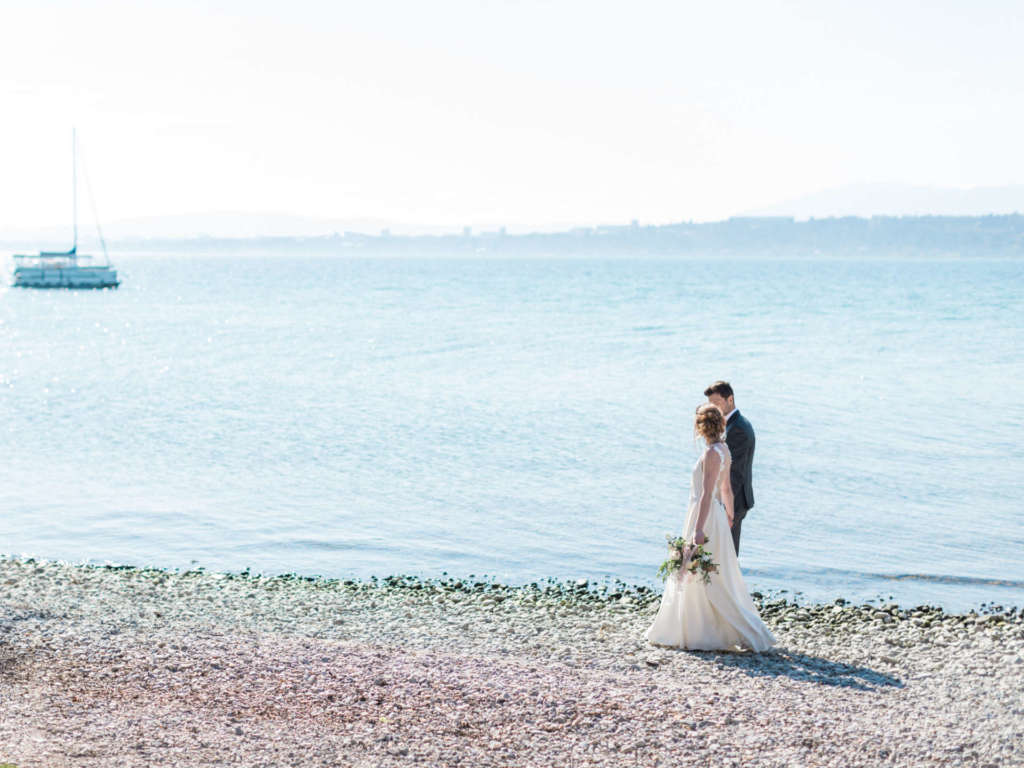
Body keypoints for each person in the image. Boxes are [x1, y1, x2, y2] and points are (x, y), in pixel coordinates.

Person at [644, 404, 774, 651]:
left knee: (701, 571)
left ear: (700, 428)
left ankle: (702, 630)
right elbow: (726, 489)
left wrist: (698, 529)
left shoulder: (711, 454)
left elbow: (705, 494)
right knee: (714, 571)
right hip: (716, 514)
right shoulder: (724, 449)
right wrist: (729, 513)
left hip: (703, 515)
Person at [704, 381, 755, 556]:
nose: (713, 408)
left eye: (716, 403)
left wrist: (725, 506)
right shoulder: (731, 425)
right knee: (723, 551)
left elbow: (734, 473)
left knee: (728, 554)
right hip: (728, 498)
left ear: (730, 400)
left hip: (734, 500)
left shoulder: (738, 429)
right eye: (710, 404)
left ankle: (730, 584)